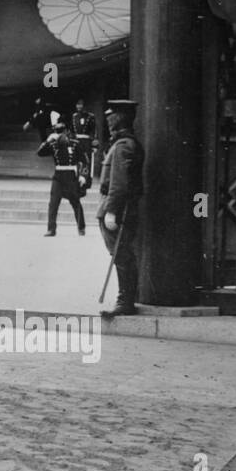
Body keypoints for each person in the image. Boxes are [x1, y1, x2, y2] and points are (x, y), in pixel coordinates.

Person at [97, 99, 144, 317]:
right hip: (119, 207)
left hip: (118, 209)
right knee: (121, 256)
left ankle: (125, 303)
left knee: (121, 256)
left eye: (111, 118)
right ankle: (125, 300)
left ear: (119, 120)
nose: (108, 122)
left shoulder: (123, 147)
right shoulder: (123, 145)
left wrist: (111, 211)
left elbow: (119, 184)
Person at [37, 120, 86, 236]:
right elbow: (40, 153)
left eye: (61, 131)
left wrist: (83, 176)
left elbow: (84, 161)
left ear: (67, 132)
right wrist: (47, 141)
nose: (59, 134)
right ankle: (51, 229)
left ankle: (81, 227)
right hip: (58, 175)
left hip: (70, 175)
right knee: (53, 203)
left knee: (75, 202)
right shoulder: (53, 144)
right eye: (57, 132)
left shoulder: (74, 144)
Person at [71, 98, 99, 175]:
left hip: (86, 142)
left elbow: (94, 131)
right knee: (76, 160)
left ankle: (85, 178)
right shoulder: (74, 116)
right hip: (76, 141)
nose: (79, 106)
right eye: (78, 104)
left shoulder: (90, 116)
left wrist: (95, 145)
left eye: (81, 104)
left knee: (86, 160)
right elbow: (72, 131)